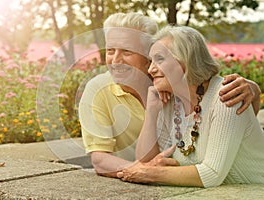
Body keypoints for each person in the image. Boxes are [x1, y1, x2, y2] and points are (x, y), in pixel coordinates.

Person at [78, 12, 262, 179]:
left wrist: (252, 90)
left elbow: (232, 113)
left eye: (127, 51)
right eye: (110, 50)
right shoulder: (161, 94)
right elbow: (101, 160)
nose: (115, 60)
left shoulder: (174, 87)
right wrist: (146, 170)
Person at [117, 25, 264, 187]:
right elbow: (145, 160)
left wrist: (151, 174)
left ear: (187, 59)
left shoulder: (226, 95)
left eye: (159, 59)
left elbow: (211, 174)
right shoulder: (170, 101)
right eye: (151, 61)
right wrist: (151, 111)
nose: (151, 69)